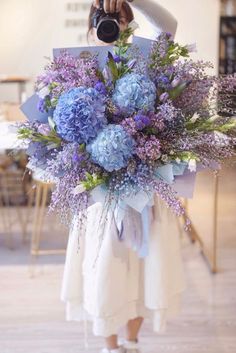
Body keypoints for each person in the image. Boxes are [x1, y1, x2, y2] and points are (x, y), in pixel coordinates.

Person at [61, 1, 185, 353]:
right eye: (105, 19)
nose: (112, 25)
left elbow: (169, 24)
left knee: (146, 269)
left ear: (130, 20)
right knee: (105, 271)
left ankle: (131, 342)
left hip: (145, 187)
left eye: (118, 18)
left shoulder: (146, 60)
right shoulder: (79, 65)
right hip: (102, 195)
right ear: (92, 24)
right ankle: (110, 346)